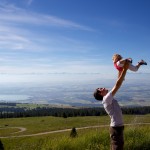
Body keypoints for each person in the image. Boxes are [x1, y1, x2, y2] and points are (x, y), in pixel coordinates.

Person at [93, 60, 130, 150]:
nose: (103, 88)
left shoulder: (108, 98)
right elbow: (117, 85)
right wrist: (125, 69)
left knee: (117, 147)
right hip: (116, 128)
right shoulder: (106, 99)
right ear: (100, 94)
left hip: (118, 127)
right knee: (117, 148)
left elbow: (118, 82)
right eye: (100, 89)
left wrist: (120, 71)